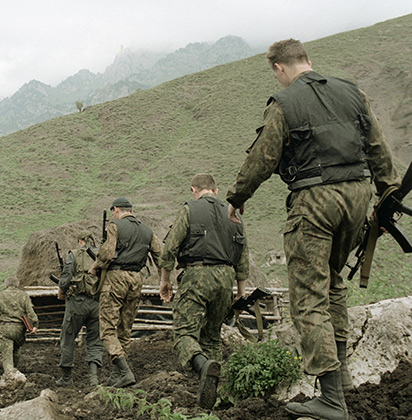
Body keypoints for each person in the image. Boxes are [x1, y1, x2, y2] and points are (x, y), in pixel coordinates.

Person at [226, 39, 399, 420]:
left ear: (278, 68)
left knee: (308, 295)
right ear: (307, 60)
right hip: (357, 195)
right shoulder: (351, 92)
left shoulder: (284, 103)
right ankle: (345, 378)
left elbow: (263, 157)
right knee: (332, 281)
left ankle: (331, 399)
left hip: (315, 201)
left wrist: (236, 198)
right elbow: (378, 147)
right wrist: (386, 197)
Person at [159, 173, 249, 409]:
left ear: (194, 190)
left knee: (184, 333)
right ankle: (213, 395)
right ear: (216, 192)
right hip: (226, 278)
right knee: (211, 336)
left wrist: (165, 281)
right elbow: (243, 255)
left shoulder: (190, 209)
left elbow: (170, 248)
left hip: (197, 275)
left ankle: (202, 366)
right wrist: (240, 292)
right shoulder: (234, 213)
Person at [88, 197, 162, 387]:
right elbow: (160, 256)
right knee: (125, 329)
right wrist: (165, 280)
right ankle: (116, 377)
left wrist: (95, 267)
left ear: (117, 210)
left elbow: (107, 254)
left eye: (113, 211)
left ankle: (125, 371)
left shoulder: (115, 226)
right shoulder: (147, 230)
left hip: (116, 279)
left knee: (107, 328)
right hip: (136, 280)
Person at [55, 231, 104, 386]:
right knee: (95, 340)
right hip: (97, 303)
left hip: (77, 303)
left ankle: (67, 378)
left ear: (80, 241)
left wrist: (61, 291)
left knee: (68, 337)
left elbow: (65, 278)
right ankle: (93, 378)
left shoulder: (74, 255)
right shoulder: (101, 255)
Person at [0, 276, 39, 373]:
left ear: (6, 285)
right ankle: (14, 372)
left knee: (7, 353)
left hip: (6, 328)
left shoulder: (0, 295)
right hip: (19, 329)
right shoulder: (24, 295)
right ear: (17, 285)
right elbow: (30, 312)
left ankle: (9, 374)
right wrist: (35, 325)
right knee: (16, 350)